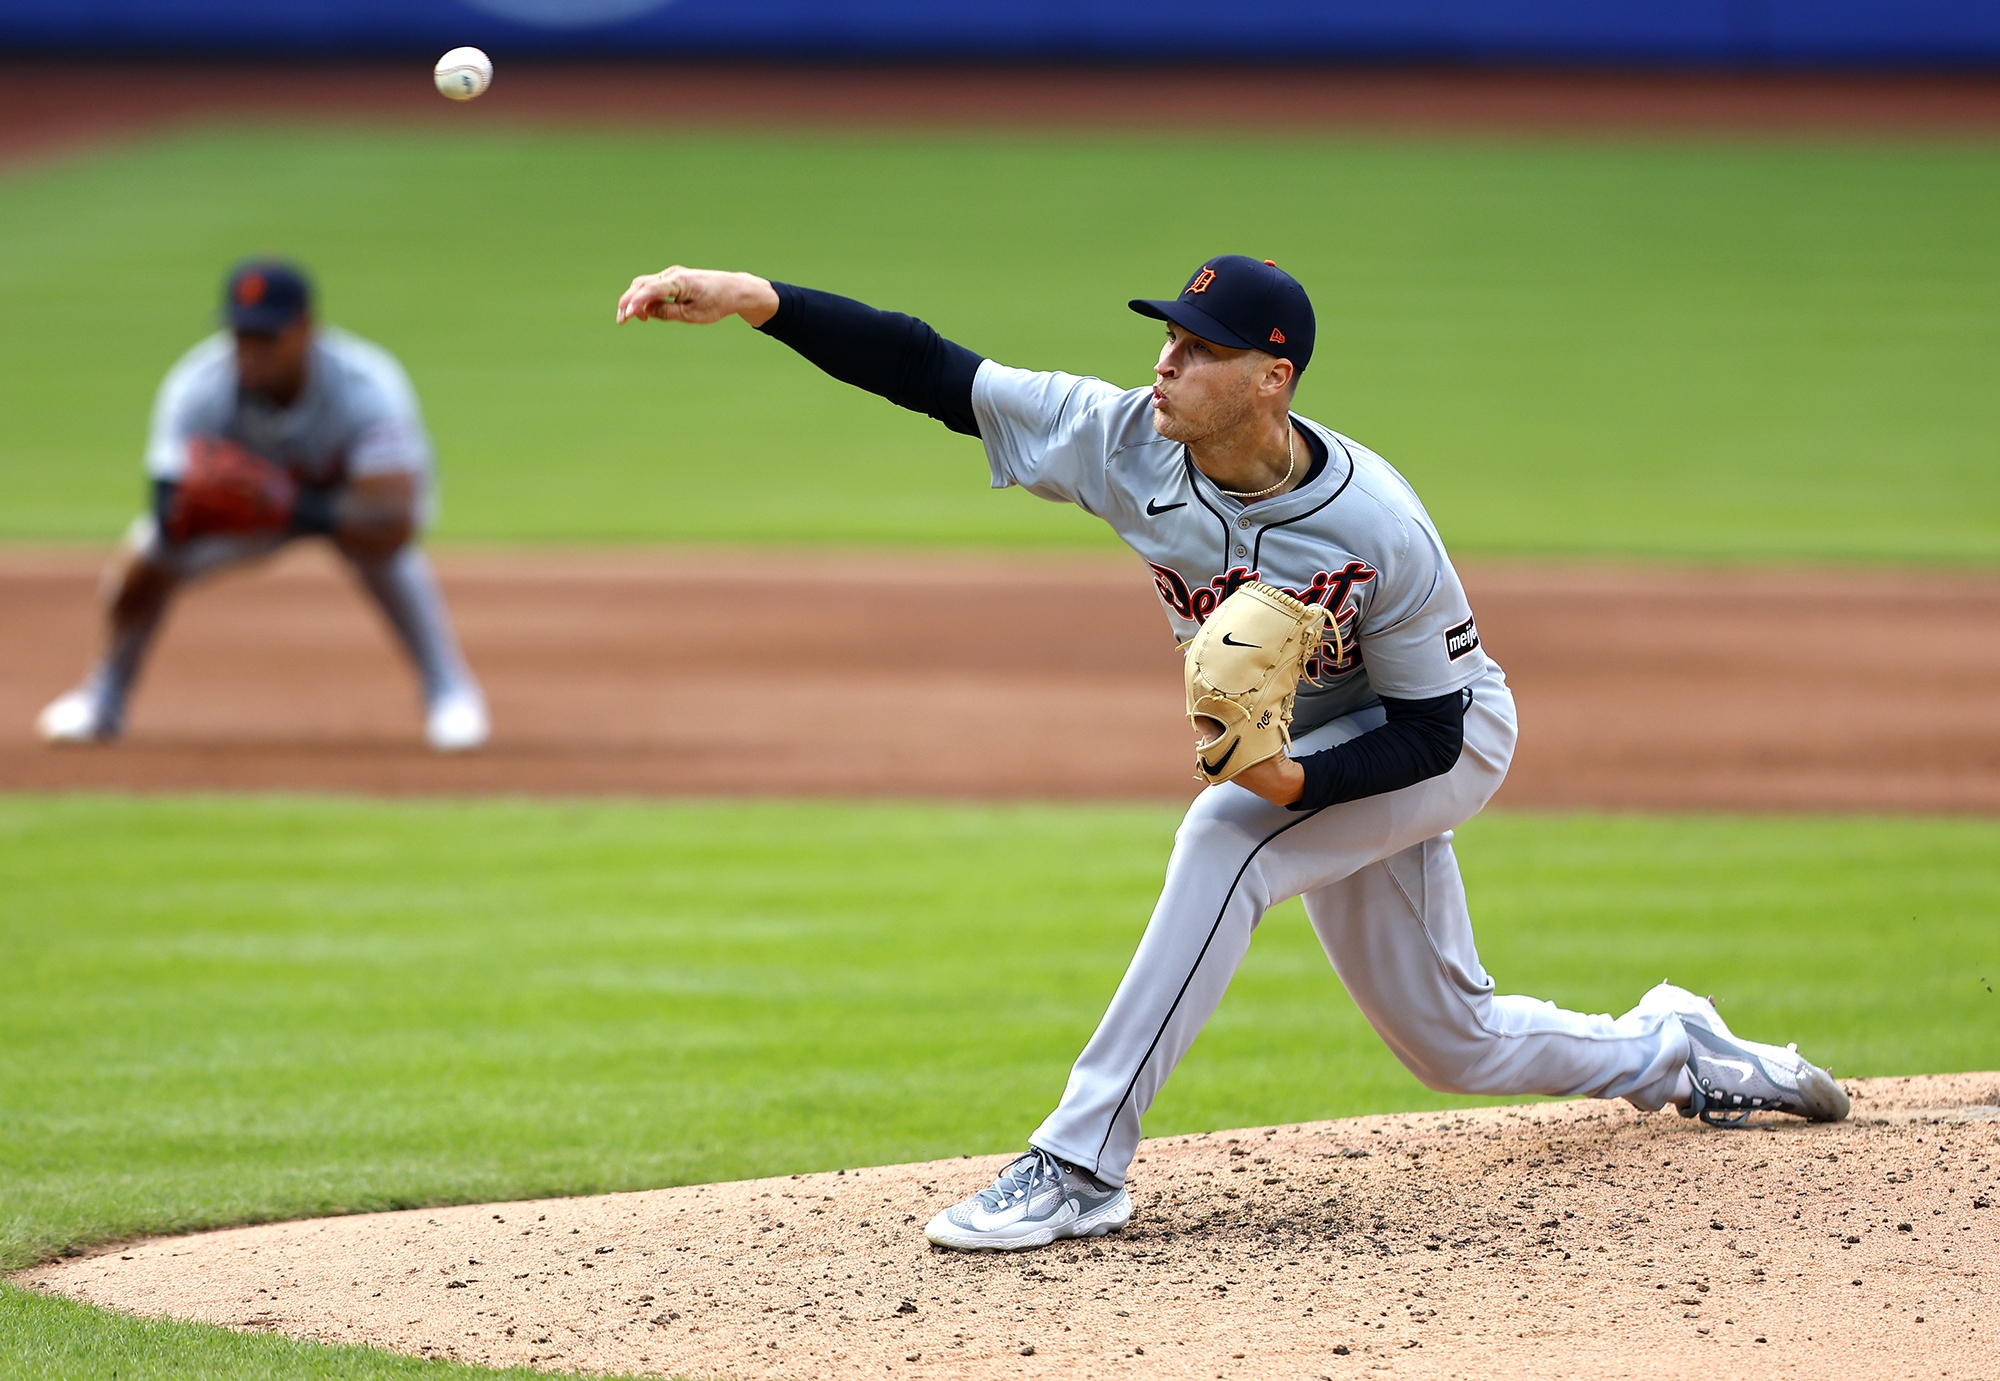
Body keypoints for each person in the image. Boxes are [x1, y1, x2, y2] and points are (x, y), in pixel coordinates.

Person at [612, 256, 1849, 1253]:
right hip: (1321, 742)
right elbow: (932, 368)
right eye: (1165, 338)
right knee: (1449, 1041)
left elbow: (1425, 728)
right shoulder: (1120, 438)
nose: (1163, 361)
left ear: (1272, 377)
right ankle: (1672, 1047)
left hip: (1442, 736)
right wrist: (758, 302)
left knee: (1226, 836)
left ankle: (1079, 1160)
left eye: (1195, 349)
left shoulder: (1376, 525)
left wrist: (1290, 785)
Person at [37, 261, 488, 752]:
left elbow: (394, 520)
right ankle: (101, 699)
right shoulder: (198, 384)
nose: (250, 351)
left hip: (348, 512)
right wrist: (240, 507)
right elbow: (166, 514)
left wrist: (285, 502)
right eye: (241, 335)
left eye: (266, 337)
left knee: (389, 558)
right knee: (144, 563)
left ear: (306, 330)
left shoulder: (366, 384)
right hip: (252, 519)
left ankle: (449, 694)